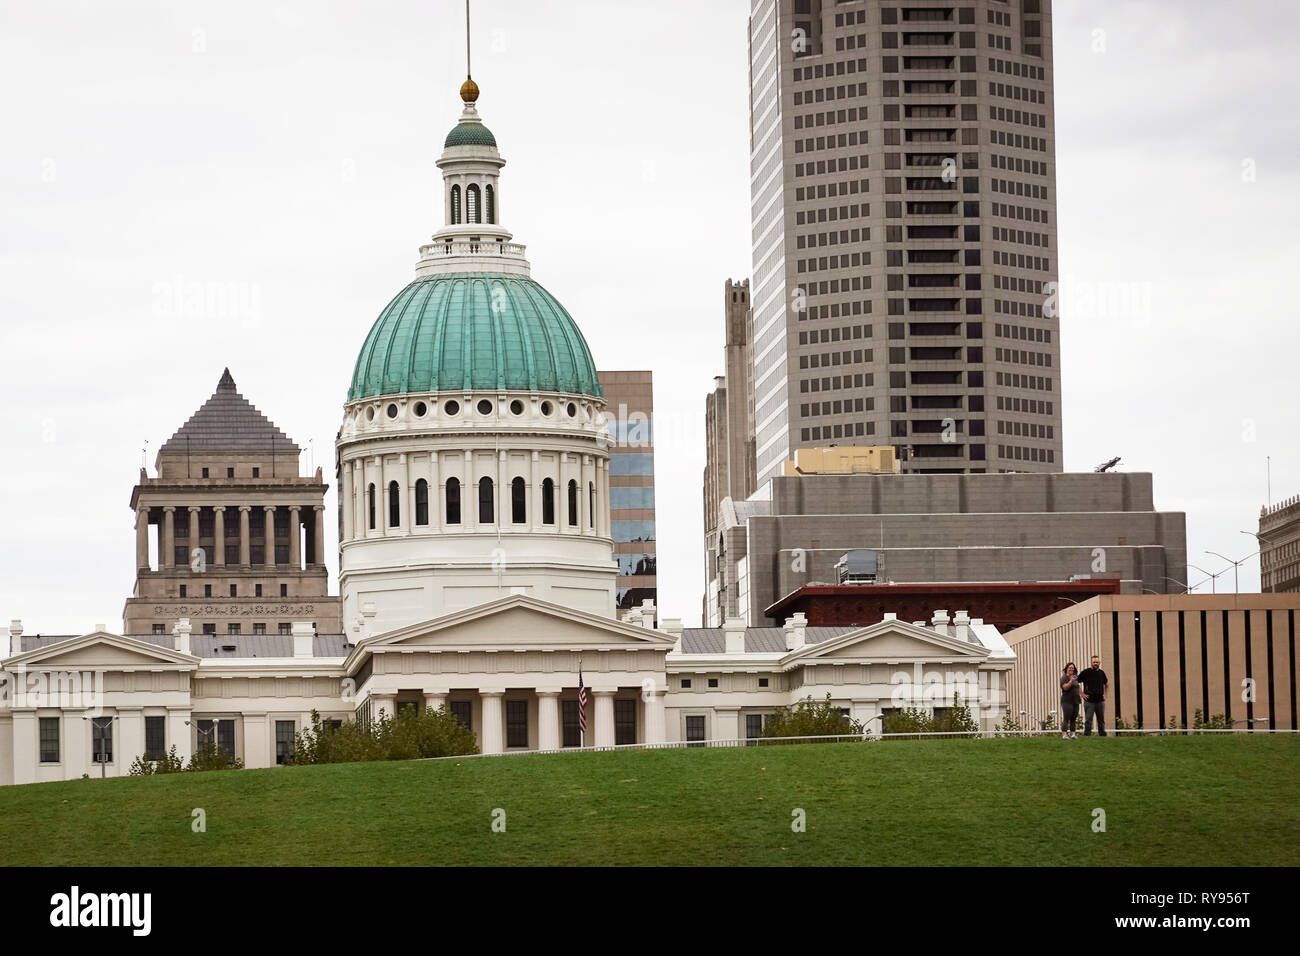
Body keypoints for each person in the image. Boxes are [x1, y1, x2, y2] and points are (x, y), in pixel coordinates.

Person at [1077, 655, 1109, 736]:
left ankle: (1102, 734)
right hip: (1089, 701)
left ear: (1099, 663)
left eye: (1097, 662)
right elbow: (1076, 682)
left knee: (1101, 719)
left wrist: (1105, 694)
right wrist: (1082, 693)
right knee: (1088, 719)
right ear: (1091, 662)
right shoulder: (1086, 672)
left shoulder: (1102, 673)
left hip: (1100, 701)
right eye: (1094, 662)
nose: (1095, 663)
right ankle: (1087, 735)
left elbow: (1107, 684)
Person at [1059, 663, 1080, 739]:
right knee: (1066, 718)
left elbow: (1077, 686)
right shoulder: (1064, 677)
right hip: (1067, 701)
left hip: (1075, 700)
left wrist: (1081, 694)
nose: (1071, 669)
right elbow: (1065, 688)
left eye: (1073, 668)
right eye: (1070, 668)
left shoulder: (1075, 677)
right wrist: (1071, 681)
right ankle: (1064, 734)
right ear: (1066, 669)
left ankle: (1073, 734)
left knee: (1074, 718)